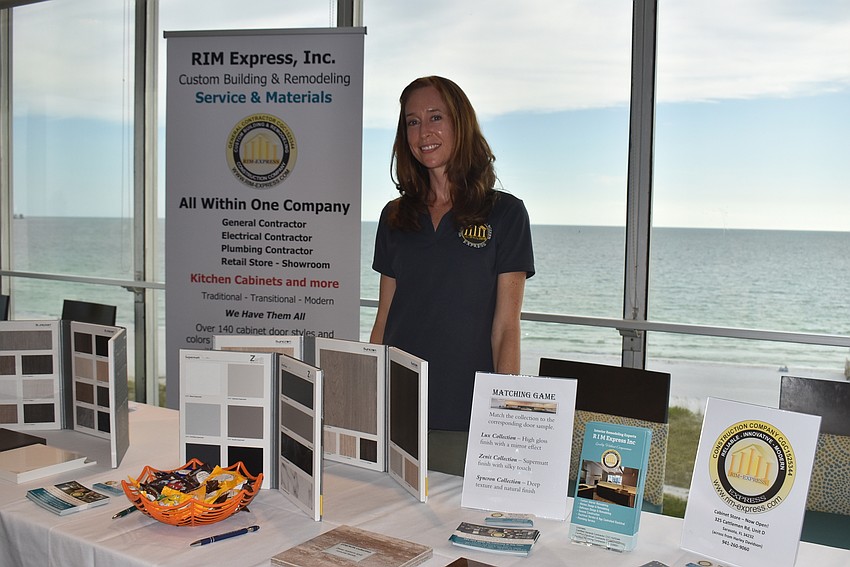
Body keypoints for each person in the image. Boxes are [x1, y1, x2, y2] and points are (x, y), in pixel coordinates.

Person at [370, 76, 535, 475]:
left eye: (435, 117)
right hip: (398, 410)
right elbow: (385, 318)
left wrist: (504, 415)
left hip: (466, 417)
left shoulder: (506, 214)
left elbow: (506, 329)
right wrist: (368, 399)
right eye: (412, 121)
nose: (423, 132)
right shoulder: (394, 217)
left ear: (460, 124)